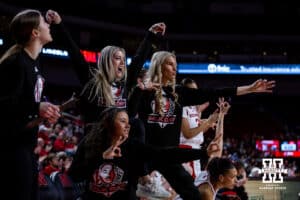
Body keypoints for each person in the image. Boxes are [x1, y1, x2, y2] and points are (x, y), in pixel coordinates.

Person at [128, 50, 275, 200]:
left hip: (170, 156)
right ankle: (144, 180)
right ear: (159, 66)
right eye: (170, 64)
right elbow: (128, 114)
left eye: (176, 65)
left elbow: (213, 92)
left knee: (194, 196)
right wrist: (139, 91)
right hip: (147, 156)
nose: (175, 69)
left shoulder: (178, 93)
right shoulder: (144, 91)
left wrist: (249, 89)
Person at [68, 107, 221, 200]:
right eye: (122, 121)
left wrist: (203, 152)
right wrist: (101, 159)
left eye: (128, 121)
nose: (127, 125)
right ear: (108, 124)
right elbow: (74, 175)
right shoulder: (88, 144)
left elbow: (167, 154)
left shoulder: (134, 147)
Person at [0, 9, 61, 200]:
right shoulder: (15, 63)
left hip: (26, 145)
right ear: (35, 32)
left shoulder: (34, 62)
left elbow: (24, 106)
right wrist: (37, 108)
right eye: (44, 22)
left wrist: (44, 113)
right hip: (10, 148)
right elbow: (4, 104)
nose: (48, 25)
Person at [179, 77, 218, 181]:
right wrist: (208, 122)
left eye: (196, 90)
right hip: (186, 150)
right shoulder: (182, 107)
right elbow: (188, 134)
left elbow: (197, 132)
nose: (195, 93)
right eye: (191, 90)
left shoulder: (193, 108)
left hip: (195, 150)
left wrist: (208, 124)